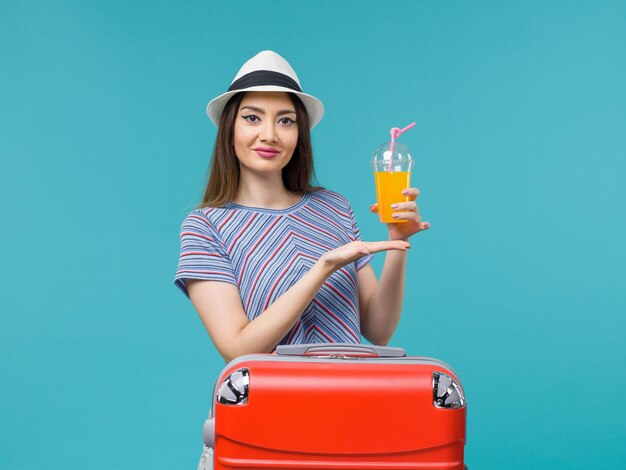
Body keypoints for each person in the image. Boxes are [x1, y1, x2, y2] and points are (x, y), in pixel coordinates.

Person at [174, 50, 430, 470]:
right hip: (261, 432)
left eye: (286, 120)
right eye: (252, 117)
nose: (270, 134)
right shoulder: (206, 227)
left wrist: (397, 242)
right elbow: (239, 349)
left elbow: (378, 331)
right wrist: (322, 268)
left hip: (350, 427)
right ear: (230, 128)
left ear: (300, 133)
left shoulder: (333, 208)